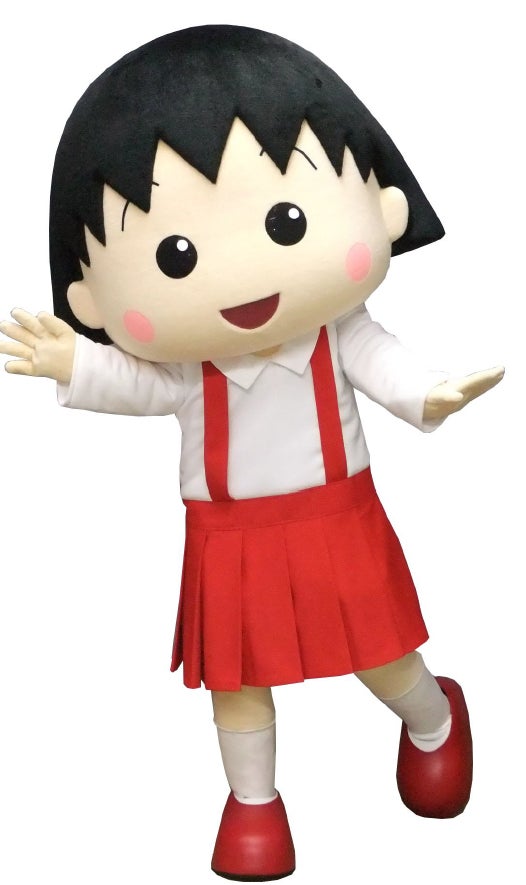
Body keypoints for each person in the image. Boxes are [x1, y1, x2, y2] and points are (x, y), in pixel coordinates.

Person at [0, 25, 504, 882]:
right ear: (89, 294)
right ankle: (254, 803)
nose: (242, 275)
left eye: (285, 222)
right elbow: (139, 385)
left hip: (336, 519)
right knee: (236, 678)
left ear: (382, 204)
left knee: (379, 651)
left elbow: (381, 357)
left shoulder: (334, 331)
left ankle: (434, 718)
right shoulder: (186, 368)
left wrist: (428, 393)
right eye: (177, 256)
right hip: (227, 538)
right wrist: (74, 362)